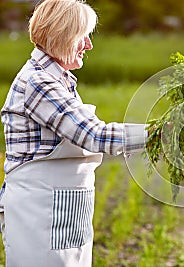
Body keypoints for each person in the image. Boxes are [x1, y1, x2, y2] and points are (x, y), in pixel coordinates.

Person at [0, 0, 147, 266]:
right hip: (39, 216)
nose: (89, 45)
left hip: (62, 213)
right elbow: (94, 136)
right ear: (63, 35)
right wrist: (161, 133)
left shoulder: (59, 80)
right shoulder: (39, 82)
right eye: (84, 36)